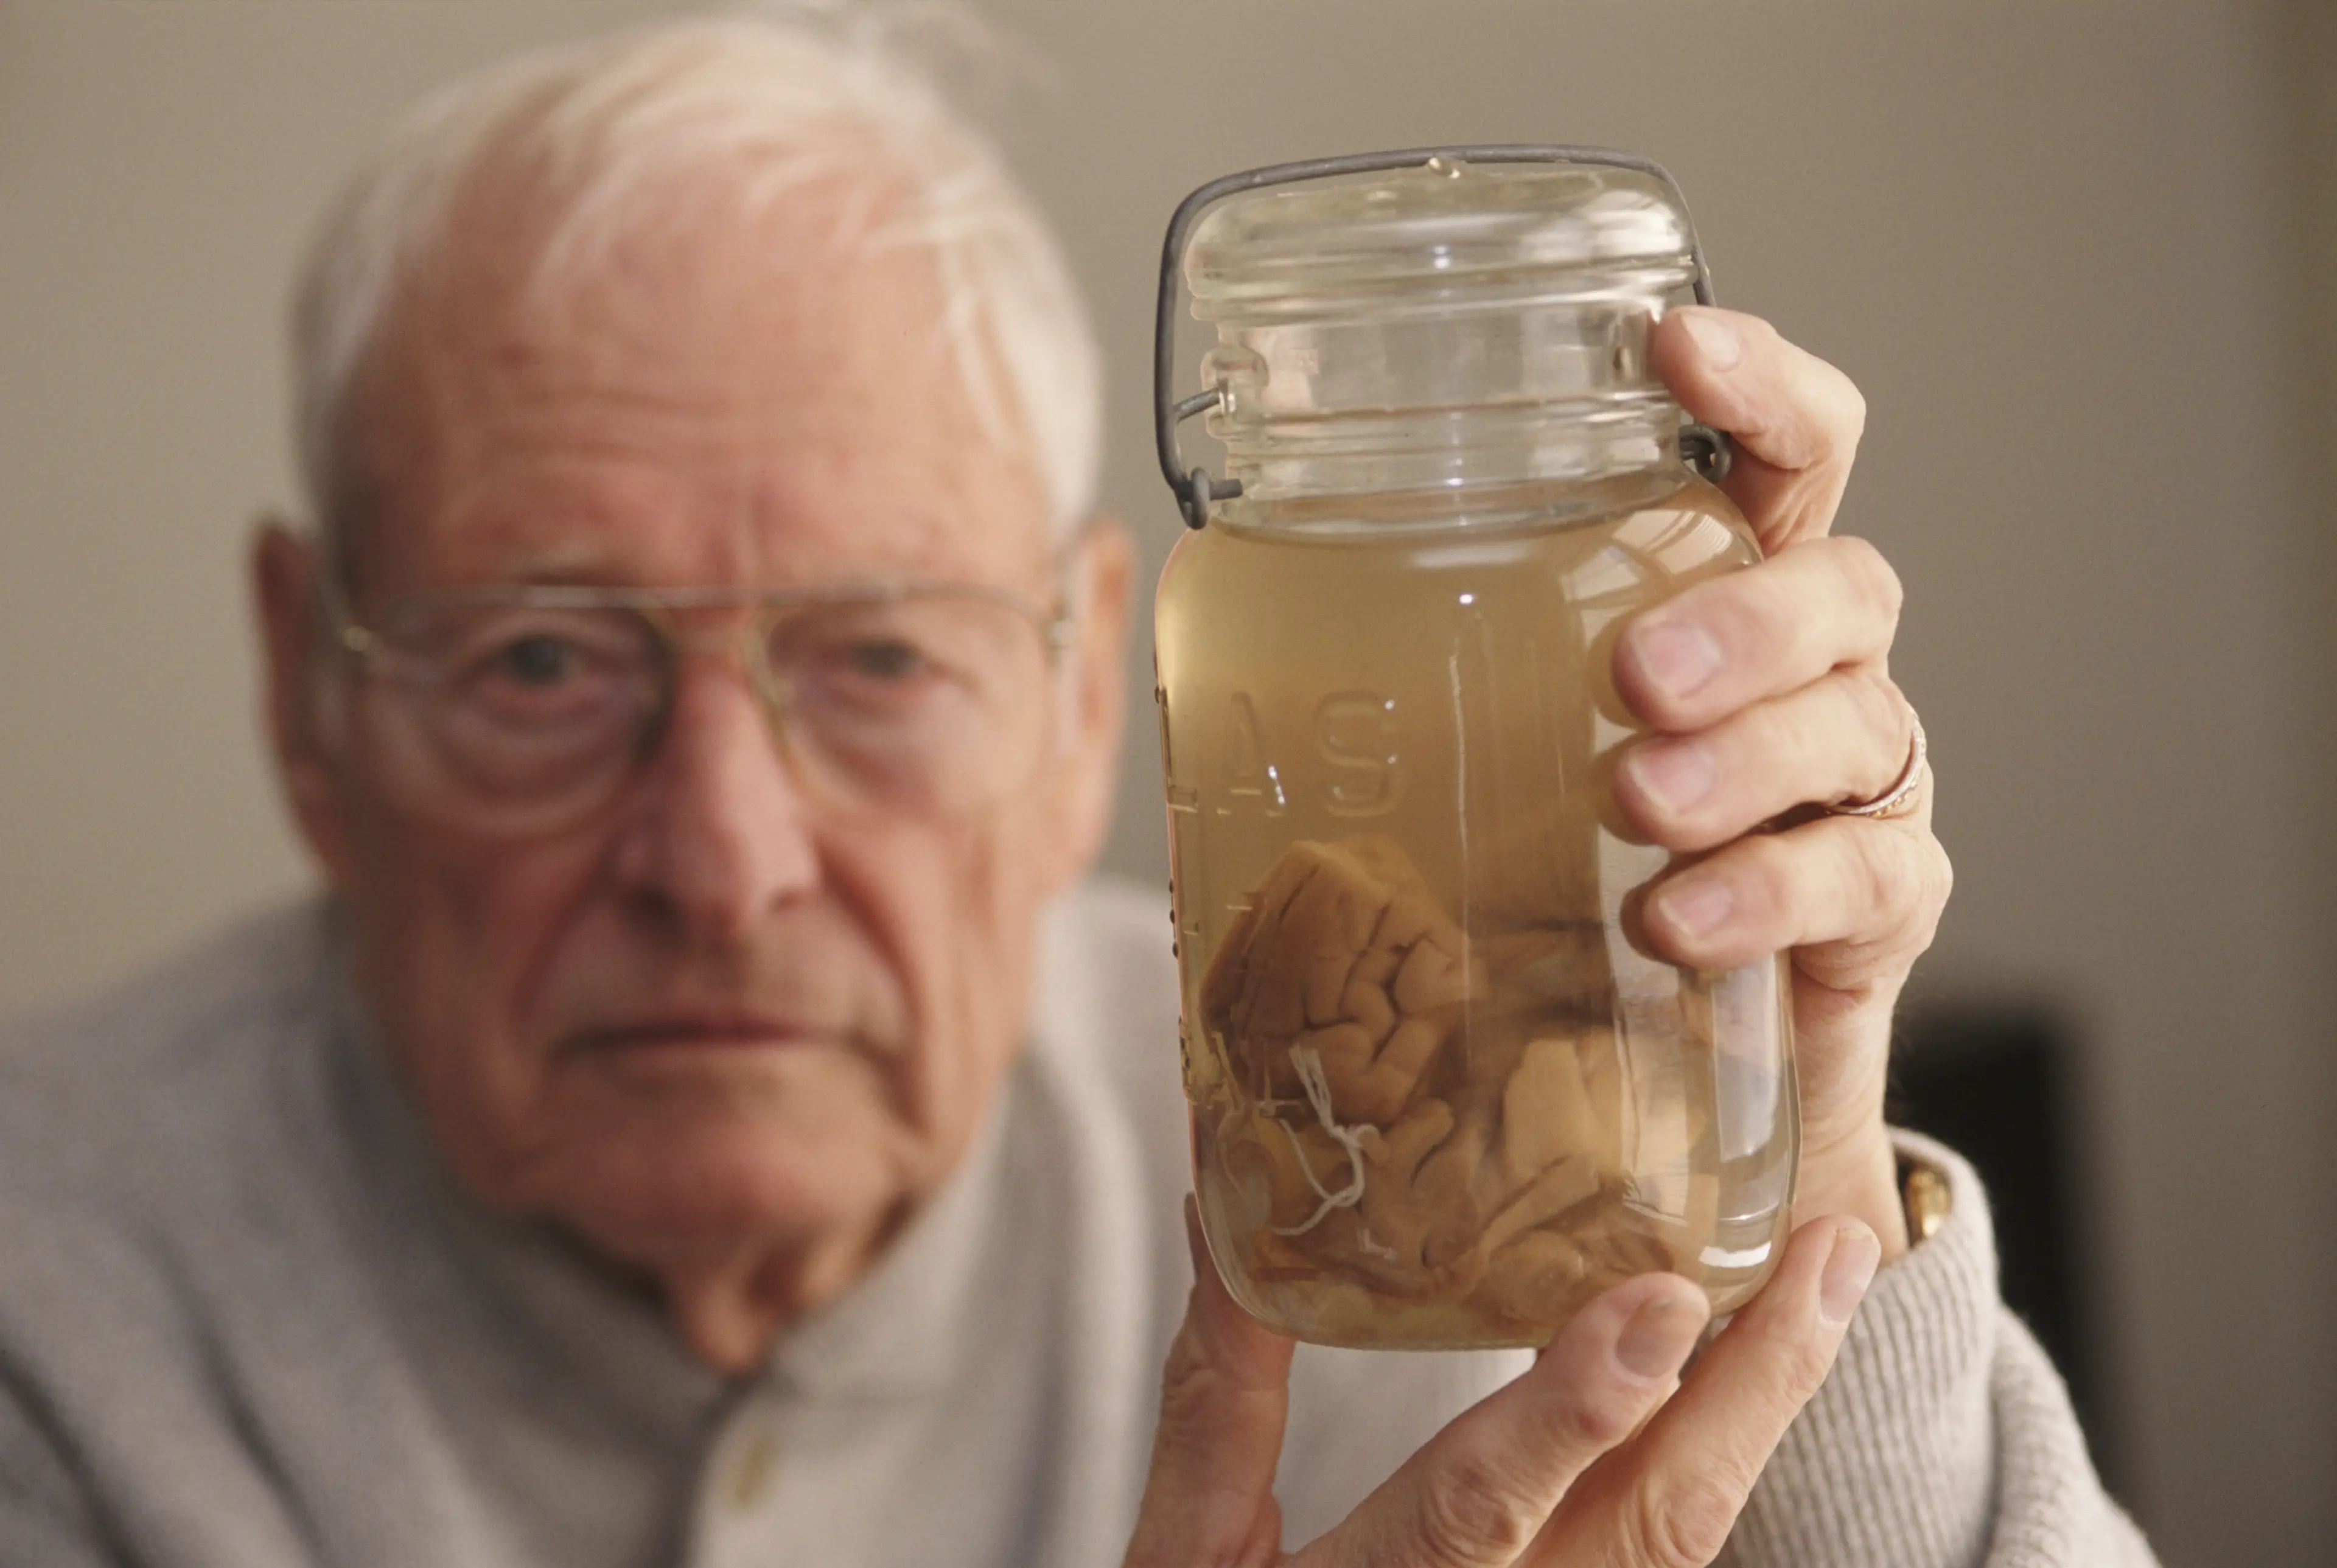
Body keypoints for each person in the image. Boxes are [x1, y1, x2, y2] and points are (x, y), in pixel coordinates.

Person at [0, 13, 2150, 1568]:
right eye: (546, 659)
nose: (726, 866)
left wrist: (1804, 1134)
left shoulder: (1423, 1168)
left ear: (1088, 694)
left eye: (878, 657)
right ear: (307, 692)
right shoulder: (52, 1304)